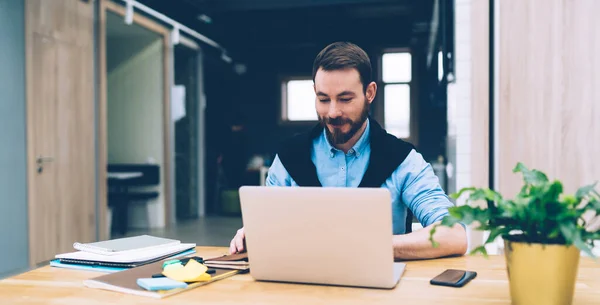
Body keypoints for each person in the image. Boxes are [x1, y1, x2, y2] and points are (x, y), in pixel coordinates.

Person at [229, 42, 467, 260]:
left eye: (345, 99)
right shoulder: (290, 157)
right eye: (323, 99)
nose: (333, 112)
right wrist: (253, 233)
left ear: (370, 93)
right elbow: (267, 225)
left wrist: (369, 246)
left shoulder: (403, 160)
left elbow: (454, 234)